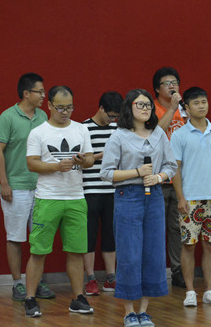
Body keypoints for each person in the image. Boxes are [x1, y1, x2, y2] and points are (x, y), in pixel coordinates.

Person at [100, 89, 178, 327]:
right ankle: (129, 312)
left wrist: (159, 177)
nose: (146, 109)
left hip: (154, 196)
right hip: (128, 197)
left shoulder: (158, 134)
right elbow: (106, 173)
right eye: (140, 105)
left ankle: (144, 311)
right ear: (129, 107)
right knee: (130, 255)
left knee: (153, 254)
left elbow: (171, 165)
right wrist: (136, 172)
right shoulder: (119, 136)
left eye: (148, 105)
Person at [24, 85, 95, 317]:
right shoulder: (38, 132)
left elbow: (90, 159)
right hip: (47, 198)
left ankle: (78, 298)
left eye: (70, 107)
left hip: (76, 197)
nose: (65, 112)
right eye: (60, 108)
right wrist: (56, 166)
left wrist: (83, 161)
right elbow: (32, 163)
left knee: (76, 251)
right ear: (49, 106)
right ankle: (30, 299)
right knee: (39, 251)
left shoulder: (81, 129)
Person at [0, 73, 56, 301]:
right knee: (15, 237)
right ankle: (17, 283)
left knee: (39, 238)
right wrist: (4, 183)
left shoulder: (43, 116)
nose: (44, 95)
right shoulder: (8, 117)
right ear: (26, 93)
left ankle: (36, 281)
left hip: (41, 187)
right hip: (16, 187)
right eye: (40, 91)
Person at [171, 87, 211, 307]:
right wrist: (180, 197)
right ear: (186, 108)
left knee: (210, 245)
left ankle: (209, 290)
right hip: (190, 199)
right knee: (188, 245)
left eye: (204, 101)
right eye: (196, 103)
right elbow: (175, 168)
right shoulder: (179, 135)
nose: (201, 106)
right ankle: (190, 291)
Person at [82, 91, 123, 296]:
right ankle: (90, 278)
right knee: (88, 236)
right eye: (110, 115)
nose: (112, 120)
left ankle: (111, 277)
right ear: (100, 108)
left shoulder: (118, 129)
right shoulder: (83, 128)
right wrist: (103, 154)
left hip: (113, 190)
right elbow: (82, 160)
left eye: (116, 117)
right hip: (89, 189)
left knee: (110, 235)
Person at [152, 66, 188, 288]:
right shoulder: (151, 108)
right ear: (157, 89)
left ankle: (178, 270)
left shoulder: (184, 110)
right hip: (158, 178)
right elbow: (156, 134)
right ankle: (156, 272)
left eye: (175, 83)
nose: (172, 86)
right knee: (156, 228)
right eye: (167, 83)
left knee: (177, 228)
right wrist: (172, 108)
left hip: (180, 179)